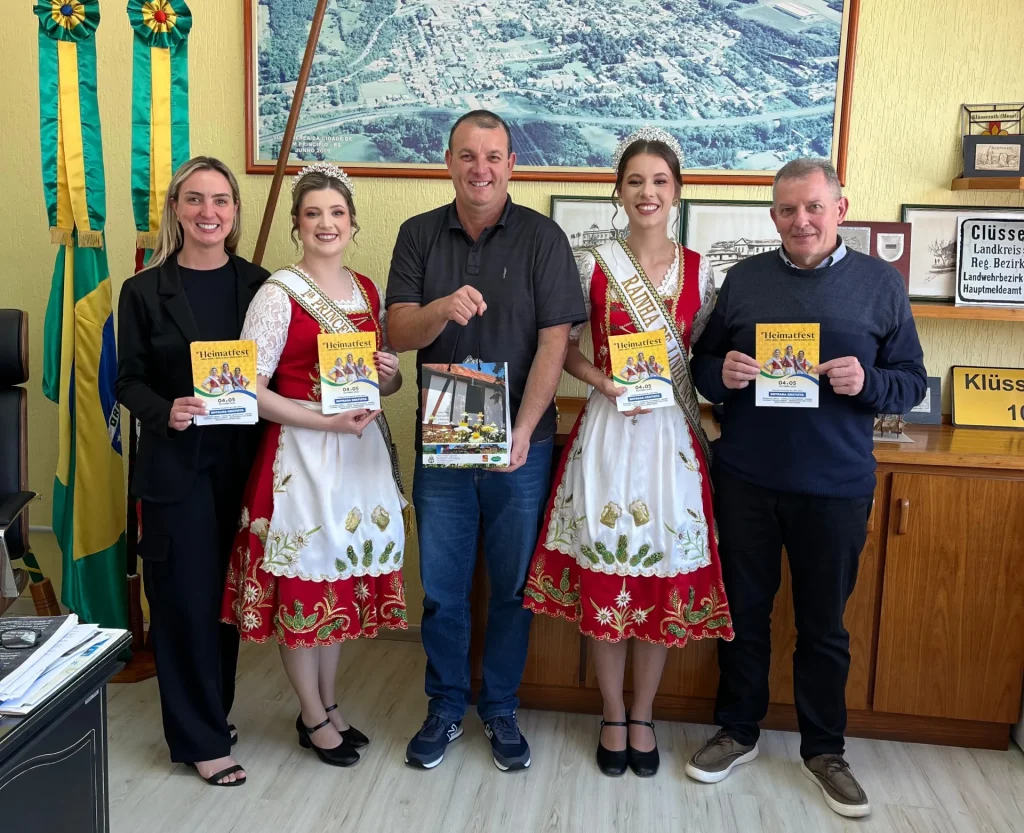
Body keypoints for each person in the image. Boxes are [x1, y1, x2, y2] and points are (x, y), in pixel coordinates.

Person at [687, 157, 927, 818]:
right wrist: (721, 374)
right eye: (788, 210)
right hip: (747, 480)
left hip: (836, 486)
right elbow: (700, 364)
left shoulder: (880, 283)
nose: (802, 220)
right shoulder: (744, 280)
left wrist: (868, 382)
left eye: (814, 207)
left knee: (823, 627)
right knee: (744, 615)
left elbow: (912, 381)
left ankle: (825, 750)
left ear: (839, 210)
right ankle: (737, 731)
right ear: (773, 216)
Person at [523, 127, 734, 779]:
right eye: (635, 181)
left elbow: (705, 357)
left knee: (657, 575)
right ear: (618, 191)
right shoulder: (591, 265)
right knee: (609, 571)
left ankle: (644, 713)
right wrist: (605, 382)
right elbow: (563, 349)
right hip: (610, 433)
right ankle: (612, 712)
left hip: (670, 441)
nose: (647, 192)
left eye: (659, 181)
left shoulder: (703, 270)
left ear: (677, 191)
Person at [385, 110, 587, 772]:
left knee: (512, 589)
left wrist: (524, 431)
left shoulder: (543, 237)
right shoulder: (418, 235)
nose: (481, 169)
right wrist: (440, 308)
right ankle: (445, 705)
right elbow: (397, 332)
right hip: (443, 440)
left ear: (511, 165)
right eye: (468, 156)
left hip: (521, 445)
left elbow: (555, 343)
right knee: (442, 590)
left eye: (494, 156)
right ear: (448, 162)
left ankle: (500, 707)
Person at [220, 163, 407, 768]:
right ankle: (310, 713)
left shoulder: (367, 291)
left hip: (358, 456)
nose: (326, 224)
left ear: (353, 223)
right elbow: (247, 388)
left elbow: (383, 382)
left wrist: (390, 375)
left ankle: (328, 704)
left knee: (337, 579)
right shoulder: (278, 293)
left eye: (337, 213)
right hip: (300, 457)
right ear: (297, 226)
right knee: (305, 584)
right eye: (313, 214)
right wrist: (323, 422)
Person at [116, 156, 270, 787]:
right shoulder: (143, 290)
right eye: (196, 199)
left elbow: (283, 369)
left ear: (234, 212)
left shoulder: (261, 285)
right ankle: (200, 741)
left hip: (243, 466)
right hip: (177, 469)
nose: (209, 212)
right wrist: (166, 409)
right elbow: (127, 380)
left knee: (223, 601)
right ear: (176, 210)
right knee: (182, 602)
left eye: (221, 200)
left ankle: (213, 715)